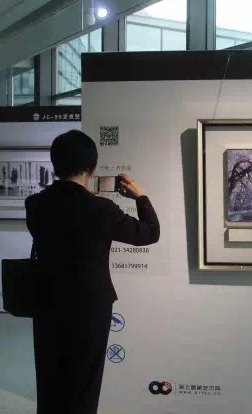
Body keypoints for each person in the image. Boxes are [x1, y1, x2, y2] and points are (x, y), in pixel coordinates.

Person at [25, 130, 159, 413]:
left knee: (49, 377)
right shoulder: (101, 209)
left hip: (46, 302)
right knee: (84, 381)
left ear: (55, 164)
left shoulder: (35, 204)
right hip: (89, 307)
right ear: (92, 168)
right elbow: (149, 233)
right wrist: (141, 197)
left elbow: (64, 218)